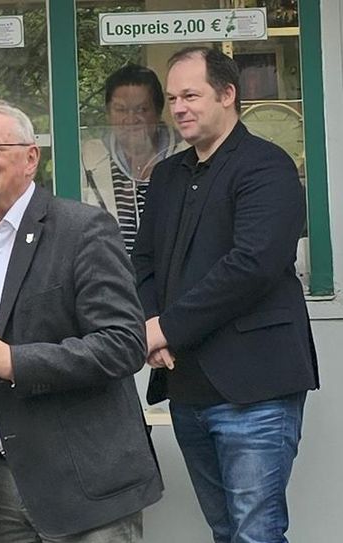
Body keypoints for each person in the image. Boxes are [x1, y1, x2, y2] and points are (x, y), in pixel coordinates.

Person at [0, 100, 162, 543]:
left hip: (84, 485)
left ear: (31, 158)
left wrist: (16, 361)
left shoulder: (83, 230)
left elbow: (124, 344)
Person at [132, 47, 319, 543]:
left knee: (256, 532)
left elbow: (251, 266)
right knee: (225, 531)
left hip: (255, 388)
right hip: (186, 385)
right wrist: (152, 325)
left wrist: (165, 327)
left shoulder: (267, 166)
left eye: (191, 95)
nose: (179, 108)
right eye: (172, 98)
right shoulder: (168, 175)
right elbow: (144, 262)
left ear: (228, 94)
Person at [81, 64, 184, 253]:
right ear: (108, 113)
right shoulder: (86, 158)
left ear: (159, 112)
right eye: (120, 109)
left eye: (142, 109)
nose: (131, 119)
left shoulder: (187, 154)